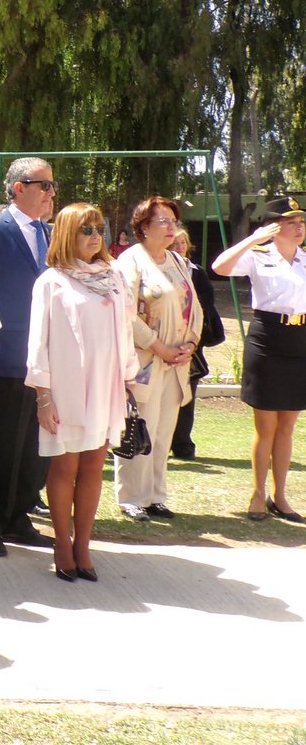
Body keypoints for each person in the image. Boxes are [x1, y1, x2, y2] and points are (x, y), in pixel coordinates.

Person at [25, 204, 137, 582]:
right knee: (65, 466)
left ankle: (83, 544)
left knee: (93, 467)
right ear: (66, 234)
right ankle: (61, 543)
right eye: (86, 228)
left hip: (105, 386)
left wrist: (127, 379)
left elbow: (125, 331)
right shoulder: (52, 281)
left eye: (99, 228)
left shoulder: (113, 277)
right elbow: (37, 343)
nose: (95, 235)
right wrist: (44, 396)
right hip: (67, 386)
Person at [0, 157, 56, 556]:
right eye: (45, 185)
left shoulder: (51, 235)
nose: (52, 193)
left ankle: (19, 516)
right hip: (7, 357)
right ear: (19, 188)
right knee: (3, 444)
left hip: (47, 358)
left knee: (36, 445)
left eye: (53, 186)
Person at [211, 196, 306, 523]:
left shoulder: (305, 260)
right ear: (273, 227)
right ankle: (257, 491)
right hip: (267, 339)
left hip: (299, 342)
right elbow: (219, 267)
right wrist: (253, 238)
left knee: (287, 426)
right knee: (265, 427)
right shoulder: (258, 256)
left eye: (301, 222)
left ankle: (280, 496)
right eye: (291, 222)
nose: (299, 228)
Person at [113, 196, 203, 522]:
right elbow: (125, 313)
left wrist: (190, 343)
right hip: (146, 361)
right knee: (141, 428)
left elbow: (194, 307)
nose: (170, 227)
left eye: (172, 221)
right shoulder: (130, 261)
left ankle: (155, 496)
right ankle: (131, 497)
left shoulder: (177, 262)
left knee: (164, 430)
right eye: (162, 221)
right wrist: (158, 345)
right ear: (143, 227)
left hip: (176, 363)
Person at [168, 229, 225, 462]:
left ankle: (182, 444)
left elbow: (206, 306)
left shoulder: (197, 273)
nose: (180, 247)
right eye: (175, 243)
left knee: (186, 397)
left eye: (183, 242)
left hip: (191, 345)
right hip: (163, 342)